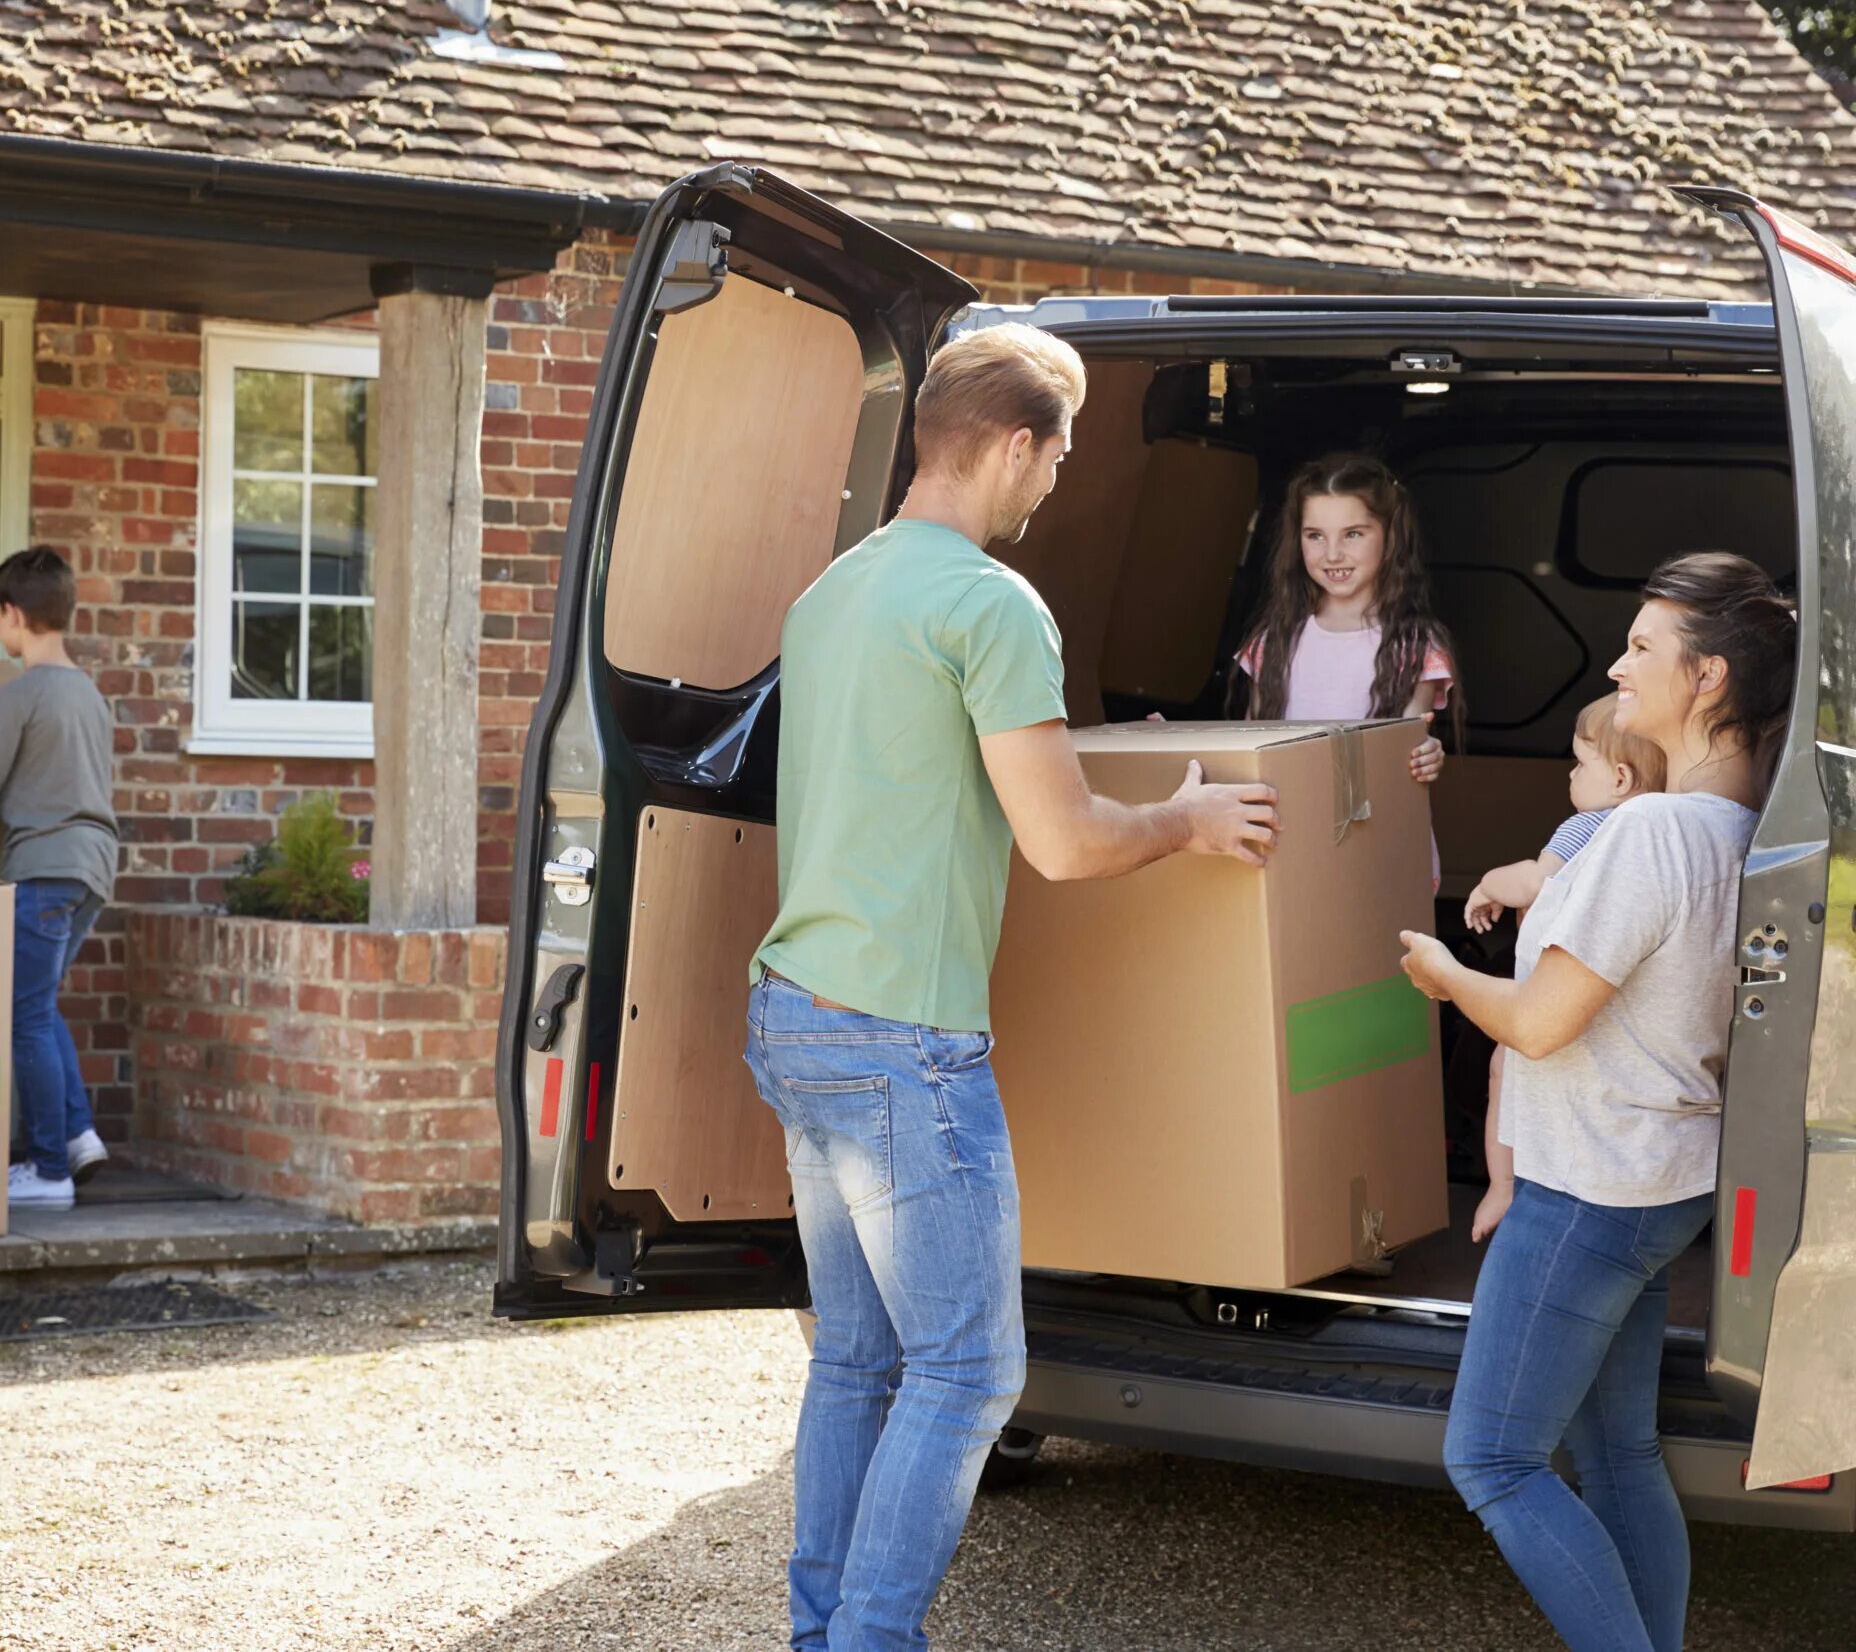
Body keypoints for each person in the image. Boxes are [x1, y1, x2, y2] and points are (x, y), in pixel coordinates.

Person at [746, 323, 1280, 1652]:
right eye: (1060, 450)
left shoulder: (834, 592)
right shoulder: (990, 605)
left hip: (797, 1014)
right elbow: (1065, 839)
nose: (1060, 477)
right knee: (972, 1370)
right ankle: (867, 1638)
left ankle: (825, 1632)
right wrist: (1187, 814)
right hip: (901, 1043)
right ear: (1007, 444)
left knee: (862, 1360)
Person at [1397, 552, 1794, 1652]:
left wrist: (1442, 972)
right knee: (1616, 1452)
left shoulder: (1650, 832)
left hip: (1586, 1188)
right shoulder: (1739, 829)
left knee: (1491, 1458)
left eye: (1641, 648)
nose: (1616, 664)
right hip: (1662, 1184)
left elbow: (1535, 1022)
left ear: (1706, 680)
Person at [0, 548, 120, 1208]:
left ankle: (46, 1170)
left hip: (42, 868)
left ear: (10, 615)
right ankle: (77, 1135)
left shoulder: (16, 697)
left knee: (23, 1012)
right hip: (92, 868)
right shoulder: (90, 694)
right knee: (41, 1004)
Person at [1459, 693, 1668, 1243]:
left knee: (1504, 1069)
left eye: (1580, 764)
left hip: (1553, 991)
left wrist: (1486, 885)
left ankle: (1502, 1187)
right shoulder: (1666, 826)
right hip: (1615, 1011)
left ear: (1619, 778)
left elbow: (1535, 880)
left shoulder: (1590, 826)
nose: (1571, 776)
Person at [1236, 451, 1455, 786]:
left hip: (1377, 827)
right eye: (1315, 535)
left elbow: (1407, 749)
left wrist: (1428, 754)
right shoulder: (1273, 639)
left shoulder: (1415, 645)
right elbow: (1250, 749)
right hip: (1293, 825)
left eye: (1352, 533)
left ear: (1390, 537)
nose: (1333, 554)